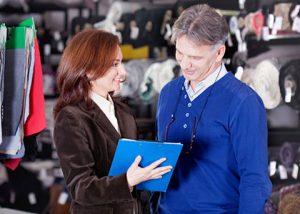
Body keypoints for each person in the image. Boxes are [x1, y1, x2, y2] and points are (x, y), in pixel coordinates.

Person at [154, 4, 272, 213]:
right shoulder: (168, 92)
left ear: (219, 53)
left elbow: (254, 180)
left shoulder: (243, 102)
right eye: (181, 53)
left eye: (196, 58)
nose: (185, 64)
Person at [53, 29, 172, 214]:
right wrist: (127, 181)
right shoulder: (71, 118)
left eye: (121, 63)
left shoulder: (124, 112)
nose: (123, 73)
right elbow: (81, 189)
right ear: (90, 70)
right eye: (115, 64)